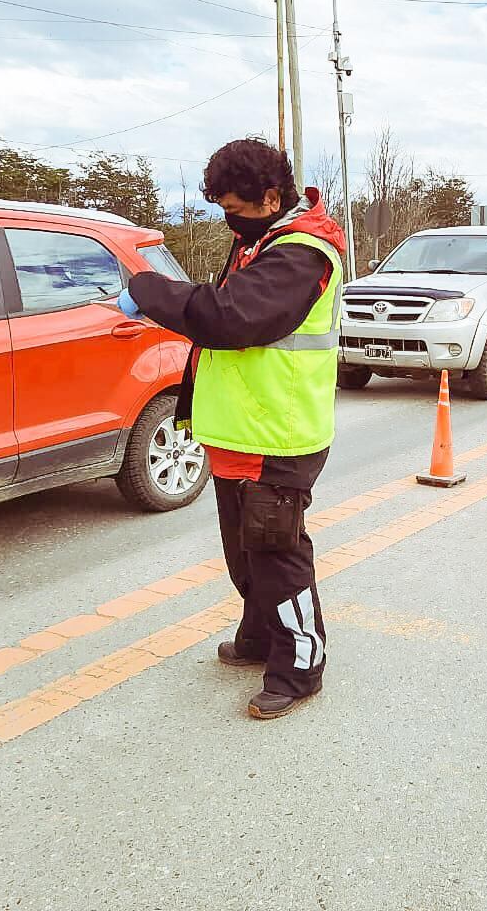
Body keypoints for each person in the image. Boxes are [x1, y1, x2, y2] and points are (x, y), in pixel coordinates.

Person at [117, 137, 346, 720]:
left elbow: (230, 317)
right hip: (242, 431)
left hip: (279, 434)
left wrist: (148, 289)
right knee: (246, 554)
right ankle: (261, 637)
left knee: (277, 552)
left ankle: (299, 667)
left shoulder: (301, 253)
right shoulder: (261, 240)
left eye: (235, 211)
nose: (228, 223)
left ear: (272, 196)